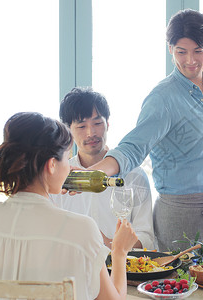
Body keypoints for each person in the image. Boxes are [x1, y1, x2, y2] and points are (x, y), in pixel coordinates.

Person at [84, 9, 203, 251]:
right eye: (181, 52)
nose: (190, 60)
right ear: (170, 48)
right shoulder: (162, 97)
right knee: (183, 286)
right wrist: (92, 175)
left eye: (198, 50)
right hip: (179, 215)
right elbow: (132, 148)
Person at [0, 112, 138, 300]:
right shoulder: (82, 229)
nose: (70, 167)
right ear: (51, 165)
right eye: (66, 157)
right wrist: (119, 252)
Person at [52, 87, 154, 250]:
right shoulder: (61, 177)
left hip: (122, 268)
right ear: (68, 130)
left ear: (107, 124)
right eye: (81, 126)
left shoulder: (134, 175)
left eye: (97, 123)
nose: (91, 133)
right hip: (72, 267)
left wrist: (110, 244)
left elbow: (147, 237)